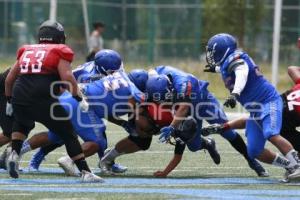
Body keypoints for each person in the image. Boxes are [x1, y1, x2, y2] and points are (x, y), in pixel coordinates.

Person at [101, 66, 268, 177]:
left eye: (164, 100)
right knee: (193, 146)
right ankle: (206, 143)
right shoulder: (158, 77)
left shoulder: (183, 83)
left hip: (203, 102)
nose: (162, 104)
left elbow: (183, 108)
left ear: (170, 88)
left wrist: (172, 127)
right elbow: (152, 71)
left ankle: (251, 161)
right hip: (184, 107)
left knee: (226, 130)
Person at [4, 20, 102, 182]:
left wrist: (9, 100)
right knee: (69, 133)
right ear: (59, 36)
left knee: (21, 125)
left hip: (19, 94)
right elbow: (67, 77)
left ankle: (14, 154)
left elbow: (9, 79)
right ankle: (86, 172)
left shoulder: (27, 49)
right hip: (42, 96)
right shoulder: (60, 50)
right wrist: (79, 97)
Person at [204, 33, 300, 180]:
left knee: (271, 133)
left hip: (269, 101)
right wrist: (216, 70)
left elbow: (242, 72)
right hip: (256, 110)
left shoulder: (237, 59)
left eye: (212, 50)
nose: (210, 54)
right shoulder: (228, 62)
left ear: (222, 49)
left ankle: (297, 165)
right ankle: (289, 165)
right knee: (254, 150)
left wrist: (235, 93)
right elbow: (229, 68)